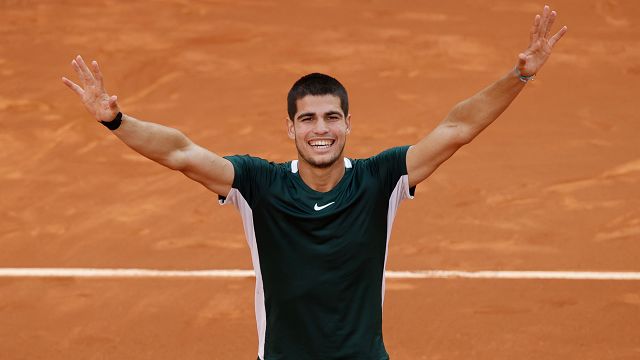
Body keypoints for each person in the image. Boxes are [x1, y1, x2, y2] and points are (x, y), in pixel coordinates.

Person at [62, 6, 567, 360]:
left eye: (331, 118)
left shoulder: (380, 178)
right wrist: (117, 120)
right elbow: (180, 153)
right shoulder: (256, 184)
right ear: (290, 128)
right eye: (308, 119)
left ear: (348, 124)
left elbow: (457, 129)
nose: (320, 130)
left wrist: (518, 76)